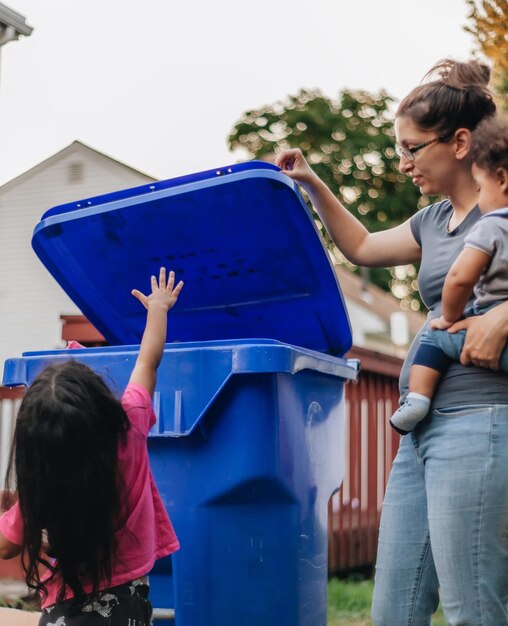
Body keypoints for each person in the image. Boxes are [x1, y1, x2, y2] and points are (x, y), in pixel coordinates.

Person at [275, 59, 508, 626]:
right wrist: (311, 180)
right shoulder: (432, 221)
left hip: (481, 422)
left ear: (458, 142)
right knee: (394, 613)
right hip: (420, 436)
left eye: (411, 148)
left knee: (473, 611)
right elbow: (359, 245)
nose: (402, 163)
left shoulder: (502, 208)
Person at [0, 268, 184, 625]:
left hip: (66, 612)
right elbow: (148, 361)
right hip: (129, 607)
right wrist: (158, 309)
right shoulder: (129, 426)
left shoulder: (43, 484)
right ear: (98, 402)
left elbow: (7, 544)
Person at [390, 114, 508, 434]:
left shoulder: (492, 225)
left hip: (481, 364)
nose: (479, 199)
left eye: (482, 188)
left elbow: (459, 278)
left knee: (434, 332)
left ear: (502, 180)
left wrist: (450, 316)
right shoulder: (431, 220)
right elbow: (360, 246)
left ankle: (417, 398)